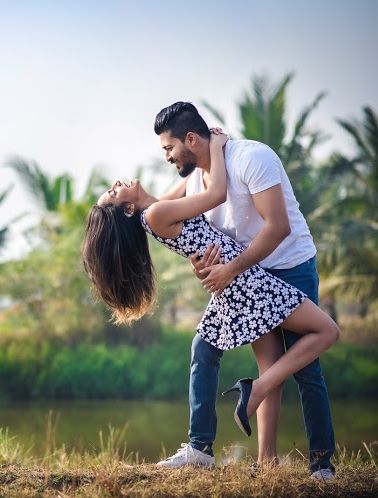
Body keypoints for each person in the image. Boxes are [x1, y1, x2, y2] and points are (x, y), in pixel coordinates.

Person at [82, 130, 339, 473]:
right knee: (327, 332)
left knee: (234, 354)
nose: (116, 182)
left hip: (237, 279)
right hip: (245, 280)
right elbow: (216, 193)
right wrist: (216, 147)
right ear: (127, 208)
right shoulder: (156, 215)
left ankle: (261, 458)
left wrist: (198, 151)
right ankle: (255, 394)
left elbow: (184, 191)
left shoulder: (157, 209)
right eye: (114, 192)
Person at [153, 102, 337, 480]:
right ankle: (264, 460)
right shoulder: (198, 180)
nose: (168, 157)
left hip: (290, 266)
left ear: (191, 138)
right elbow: (174, 221)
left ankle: (322, 464)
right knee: (267, 362)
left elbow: (278, 228)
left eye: (169, 148)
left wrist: (231, 270)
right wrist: (200, 263)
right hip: (251, 275)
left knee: (306, 368)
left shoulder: (253, 158)